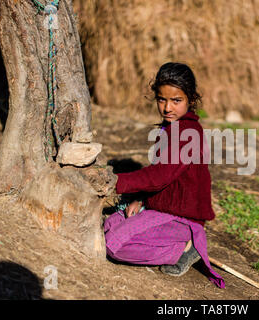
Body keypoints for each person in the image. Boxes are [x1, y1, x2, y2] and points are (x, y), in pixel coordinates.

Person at [104, 62, 225, 288]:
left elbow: (159, 176)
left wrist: (115, 182)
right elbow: (164, 178)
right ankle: (163, 237)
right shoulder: (170, 128)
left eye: (176, 100)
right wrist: (141, 200)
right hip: (160, 207)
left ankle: (186, 247)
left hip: (181, 217)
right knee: (110, 224)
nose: (168, 107)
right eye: (162, 99)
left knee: (113, 245)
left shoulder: (188, 133)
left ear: (190, 99)